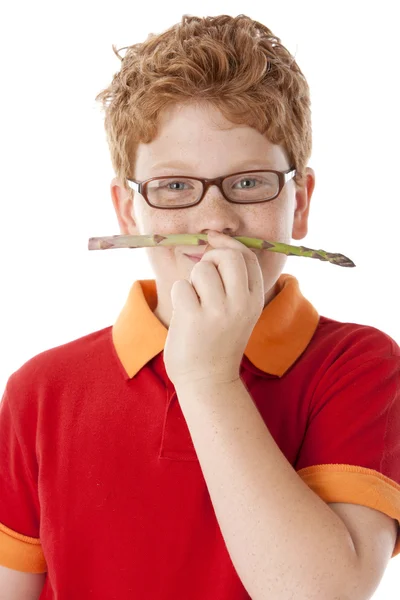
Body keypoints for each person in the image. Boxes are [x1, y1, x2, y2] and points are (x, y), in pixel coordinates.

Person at [0, 13, 399, 600]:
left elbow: (319, 593)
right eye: (176, 187)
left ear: (302, 201)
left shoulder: (359, 368)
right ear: (127, 212)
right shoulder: (41, 391)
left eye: (248, 183)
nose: (215, 221)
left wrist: (207, 377)